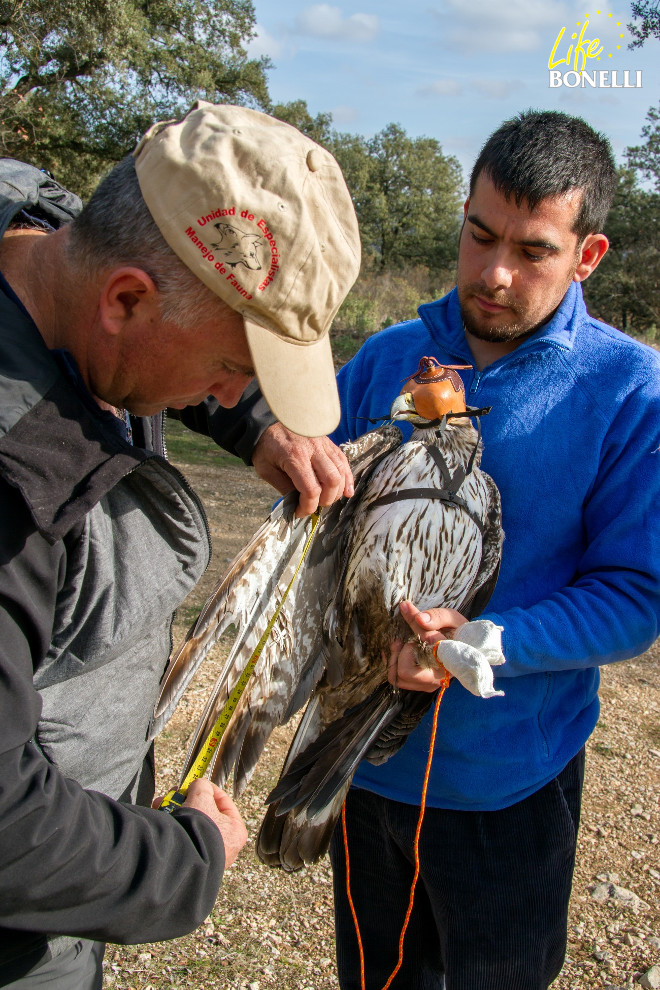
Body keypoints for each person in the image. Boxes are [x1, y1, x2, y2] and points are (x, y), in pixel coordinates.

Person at [0, 102, 359, 988]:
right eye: (234, 369)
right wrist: (184, 856)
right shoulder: (13, 488)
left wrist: (255, 424)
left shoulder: (43, 230)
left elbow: (162, 313)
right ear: (126, 299)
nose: (231, 390)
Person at [323, 110, 660, 989]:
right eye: (479, 236)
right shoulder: (390, 355)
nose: (495, 273)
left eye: (535, 250)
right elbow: (320, 530)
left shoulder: (630, 391)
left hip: (513, 785)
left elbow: (634, 595)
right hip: (365, 768)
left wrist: (481, 641)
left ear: (588, 255)